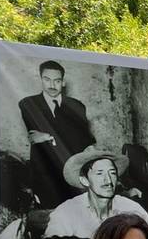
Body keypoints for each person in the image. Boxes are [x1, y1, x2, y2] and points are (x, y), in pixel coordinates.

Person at [18, 60, 96, 209]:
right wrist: (51, 137)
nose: (52, 85)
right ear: (41, 80)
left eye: (57, 80)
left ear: (63, 82)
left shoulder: (77, 106)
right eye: (47, 80)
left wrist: (48, 137)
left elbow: (85, 141)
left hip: (73, 172)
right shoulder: (28, 104)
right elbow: (36, 134)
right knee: (51, 220)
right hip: (45, 175)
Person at [43, 149, 148, 239]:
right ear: (85, 180)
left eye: (112, 173)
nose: (108, 180)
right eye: (99, 173)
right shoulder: (66, 213)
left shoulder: (130, 208)